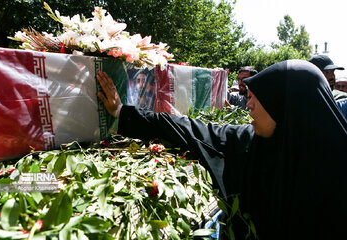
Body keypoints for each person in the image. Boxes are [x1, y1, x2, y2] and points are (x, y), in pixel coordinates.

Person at [97, 60, 347, 240]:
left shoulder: (336, 173)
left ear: (287, 106)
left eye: (257, 98)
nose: (248, 105)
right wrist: (123, 113)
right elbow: (195, 131)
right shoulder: (255, 143)